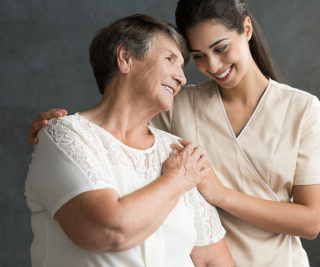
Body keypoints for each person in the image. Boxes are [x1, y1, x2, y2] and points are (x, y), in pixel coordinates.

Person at [27, 0, 320, 266]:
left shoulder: (303, 110)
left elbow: (310, 222)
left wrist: (219, 194)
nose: (213, 65)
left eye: (220, 48)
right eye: (199, 56)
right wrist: (55, 129)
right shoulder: (179, 104)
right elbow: (117, 123)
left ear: (246, 30)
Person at [25, 14, 234, 267]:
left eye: (182, 67)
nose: (182, 78)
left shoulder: (179, 151)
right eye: (170, 59)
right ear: (125, 58)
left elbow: (214, 261)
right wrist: (177, 179)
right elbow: (107, 230)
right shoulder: (63, 134)